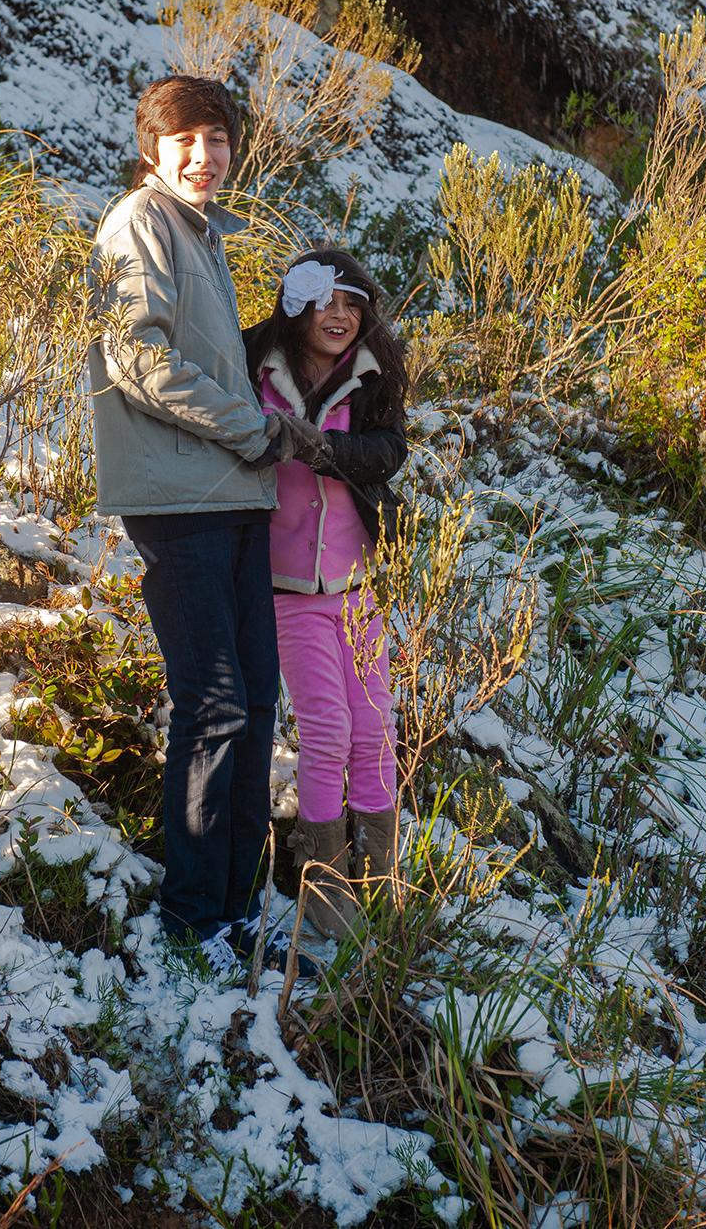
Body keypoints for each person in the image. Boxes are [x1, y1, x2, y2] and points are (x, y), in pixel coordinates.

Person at [88, 75, 304, 979]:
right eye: (187, 139)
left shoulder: (202, 234)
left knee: (256, 707)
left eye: (217, 139)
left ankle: (235, 906)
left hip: (235, 497)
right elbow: (137, 355)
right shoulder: (139, 221)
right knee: (214, 708)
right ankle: (189, 921)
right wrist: (251, 426)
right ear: (154, 147)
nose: (204, 156)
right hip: (182, 502)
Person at [244, 249, 409, 938]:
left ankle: (383, 878)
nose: (339, 315)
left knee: (376, 731)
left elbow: (386, 453)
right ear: (295, 307)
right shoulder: (257, 368)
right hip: (286, 587)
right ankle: (325, 894)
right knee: (329, 729)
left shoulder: (368, 378)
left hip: (355, 582)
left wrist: (317, 448)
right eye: (324, 301)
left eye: (352, 304)